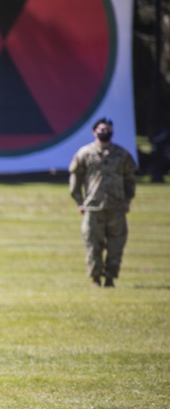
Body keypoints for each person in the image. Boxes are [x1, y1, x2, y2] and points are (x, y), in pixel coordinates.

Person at [69, 117, 136, 288]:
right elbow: (75, 180)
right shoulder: (85, 153)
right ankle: (96, 279)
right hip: (93, 206)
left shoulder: (122, 155)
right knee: (93, 245)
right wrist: (79, 202)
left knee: (116, 245)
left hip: (117, 207)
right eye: (101, 129)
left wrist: (127, 200)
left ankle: (111, 278)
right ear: (94, 131)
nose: (104, 132)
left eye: (107, 129)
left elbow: (130, 180)